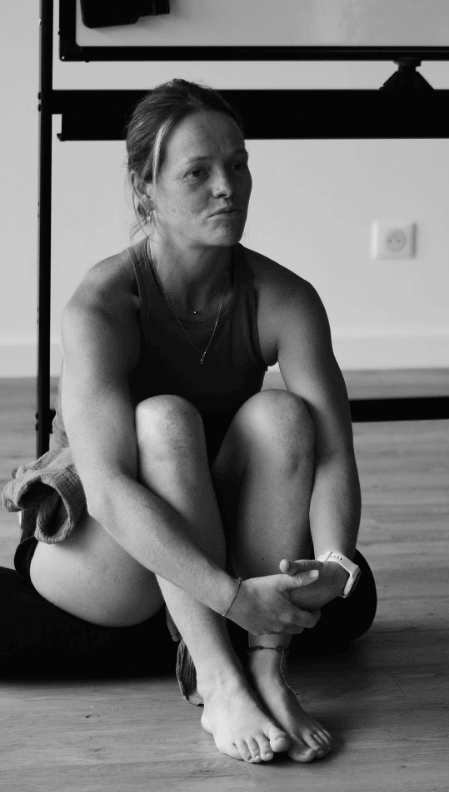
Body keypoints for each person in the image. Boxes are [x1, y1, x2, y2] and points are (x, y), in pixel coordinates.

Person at [0, 80, 376, 763]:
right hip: (107, 547)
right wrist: (235, 597)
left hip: (210, 528)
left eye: (237, 164)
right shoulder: (104, 303)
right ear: (146, 186)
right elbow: (111, 489)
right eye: (197, 172)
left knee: (286, 416)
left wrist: (333, 561)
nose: (227, 187)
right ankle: (219, 676)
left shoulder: (284, 297)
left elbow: (331, 456)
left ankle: (267, 668)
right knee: (165, 420)